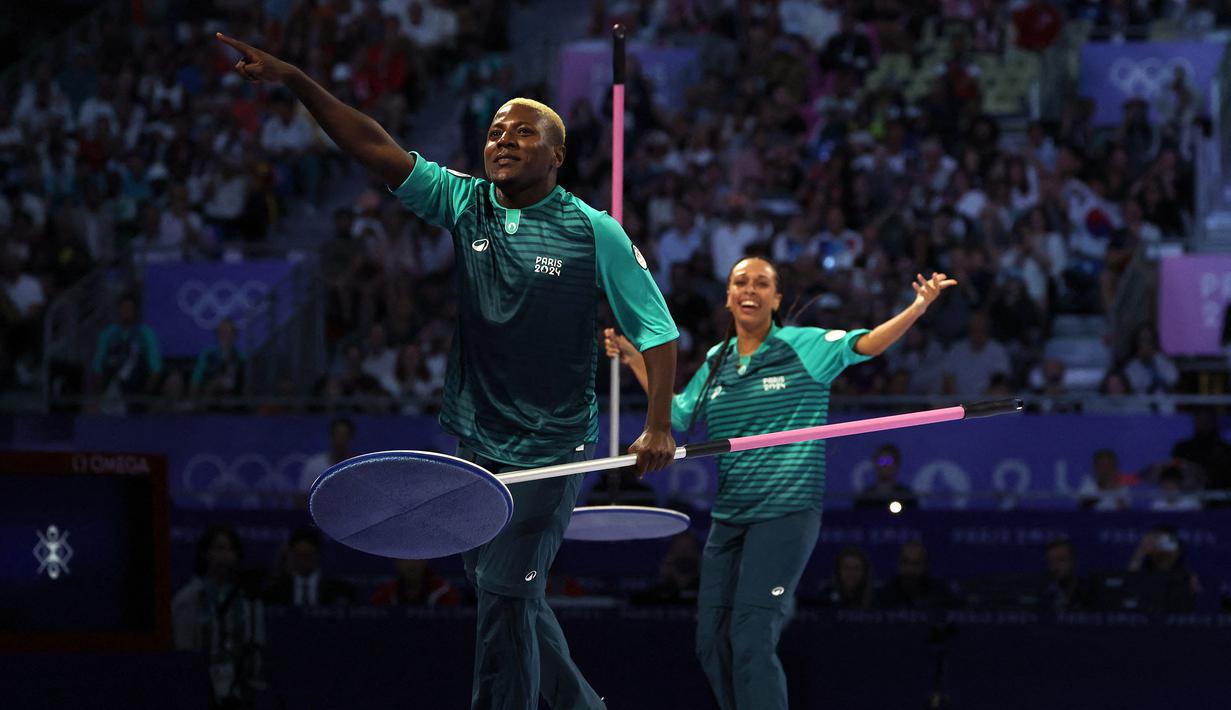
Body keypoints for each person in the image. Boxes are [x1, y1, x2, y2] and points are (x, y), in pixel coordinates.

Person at [217, 34, 678, 710]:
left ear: (556, 154)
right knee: (510, 593)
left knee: (501, 604)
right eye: (495, 131)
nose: (503, 140)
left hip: (553, 451)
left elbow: (656, 329)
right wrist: (294, 79)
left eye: (523, 133)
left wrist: (657, 426)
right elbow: (372, 147)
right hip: (476, 445)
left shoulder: (592, 230)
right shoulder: (466, 204)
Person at [607, 257, 954, 710]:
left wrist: (917, 307)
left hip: (785, 515)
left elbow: (865, 345)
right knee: (710, 644)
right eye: (740, 282)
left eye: (761, 283)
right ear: (729, 297)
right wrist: (636, 359)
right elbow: (677, 415)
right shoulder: (716, 361)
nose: (750, 289)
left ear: (776, 298)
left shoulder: (803, 346)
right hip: (729, 520)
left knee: (751, 636)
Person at [172, 525, 265, 709]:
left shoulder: (249, 598)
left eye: (230, 549)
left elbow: (258, 643)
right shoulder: (188, 598)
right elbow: (182, 648)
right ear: (205, 553)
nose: (225, 555)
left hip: (241, 690)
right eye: (219, 548)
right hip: (199, 687)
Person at [263, 526, 354, 608]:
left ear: (318, 555)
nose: (302, 561)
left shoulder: (338, 591)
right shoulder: (275, 591)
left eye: (308, 556)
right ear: (291, 555)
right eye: (299, 555)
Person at [853, 443, 919, 511]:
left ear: (897, 465)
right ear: (875, 464)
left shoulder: (907, 497)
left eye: (888, 461)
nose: (884, 465)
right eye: (881, 461)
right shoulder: (864, 498)